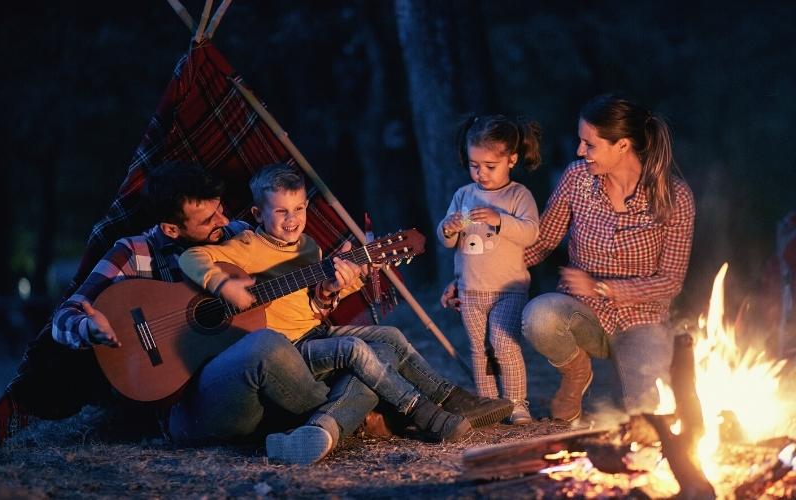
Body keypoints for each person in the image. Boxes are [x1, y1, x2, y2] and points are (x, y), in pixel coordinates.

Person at [178, 163, 514, 463]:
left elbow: (314, 307)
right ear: (258, 214)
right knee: (356, 350)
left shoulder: (310, 247)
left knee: (390, 338)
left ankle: (454, 399)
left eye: (298, 208)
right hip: (285, 351)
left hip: (314, 336)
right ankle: (423, 413)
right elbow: (191, 257)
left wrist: (339, 286)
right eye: (281, 212)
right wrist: (223, 285)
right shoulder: (246, 246)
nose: (292, 219)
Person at [51, 162, 352, 450]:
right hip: (190, 405)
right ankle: (343, 415)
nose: (223, 220)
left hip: (250, 381)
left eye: (219, 209)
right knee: (266, 344)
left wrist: (328, 290)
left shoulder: (237, 234)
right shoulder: (133, 253)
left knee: (373, 347)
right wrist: (87, 328)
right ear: (171, 229)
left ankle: (327, 421)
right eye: (208, 220)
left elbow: (290, 306)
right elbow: (65, 315)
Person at [521, 93, 695, 421]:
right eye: (580, 142)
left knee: (643, 414)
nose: (579, 151)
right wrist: (480, 275)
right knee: (540, 316)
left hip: (642, 319)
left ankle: (620, 390)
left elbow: (670, 281)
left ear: (623, 146)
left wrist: (604, 288)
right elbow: (542, 242)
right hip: (581, 314)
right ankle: (576, 374)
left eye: (589, 144)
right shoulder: (577, 179)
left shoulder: (674, 198)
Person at [437, 115, 542, 425]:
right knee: (479, 348)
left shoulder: (518, 196)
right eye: (474, 165)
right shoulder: (463, 196)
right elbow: (447, 240)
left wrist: (500, 220)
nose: (480, 173)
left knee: (503, 341)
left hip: (508, 289)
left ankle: (516, 402)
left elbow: (530, 233)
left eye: (489, 166)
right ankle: (489, 405)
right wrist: (449, 227)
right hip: (471, 288)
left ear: (511, 159)